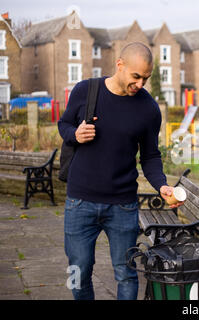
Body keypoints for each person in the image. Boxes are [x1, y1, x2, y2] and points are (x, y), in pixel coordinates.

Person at [58, 42, 183, 300]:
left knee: (126, 275)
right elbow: (64, 124)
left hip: (123, 205)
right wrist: (75, 134)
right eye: (135, 76)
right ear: (120, 65)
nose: (140, 84)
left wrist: (161, 185)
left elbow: (150, 156)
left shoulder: (148, 108)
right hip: (80, 201)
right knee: (78, 272)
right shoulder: (86, 90)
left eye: (146, 78)